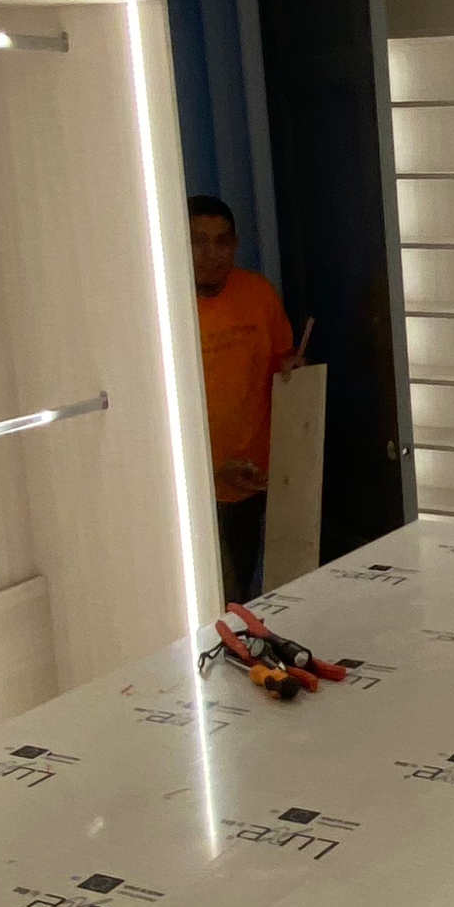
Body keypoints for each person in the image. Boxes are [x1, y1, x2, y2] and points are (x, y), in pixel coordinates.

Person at [189, 197, 298, 604]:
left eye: (221, 241)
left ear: (235, 243)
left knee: (249, 597)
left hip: (255, 475)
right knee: (208, 600)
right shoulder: (165, 307)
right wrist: (212, 470)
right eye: (198, 241)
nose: (210, 254)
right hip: (200, 484)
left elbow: (281, 361)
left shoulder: (256, 292)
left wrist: (293, 368)